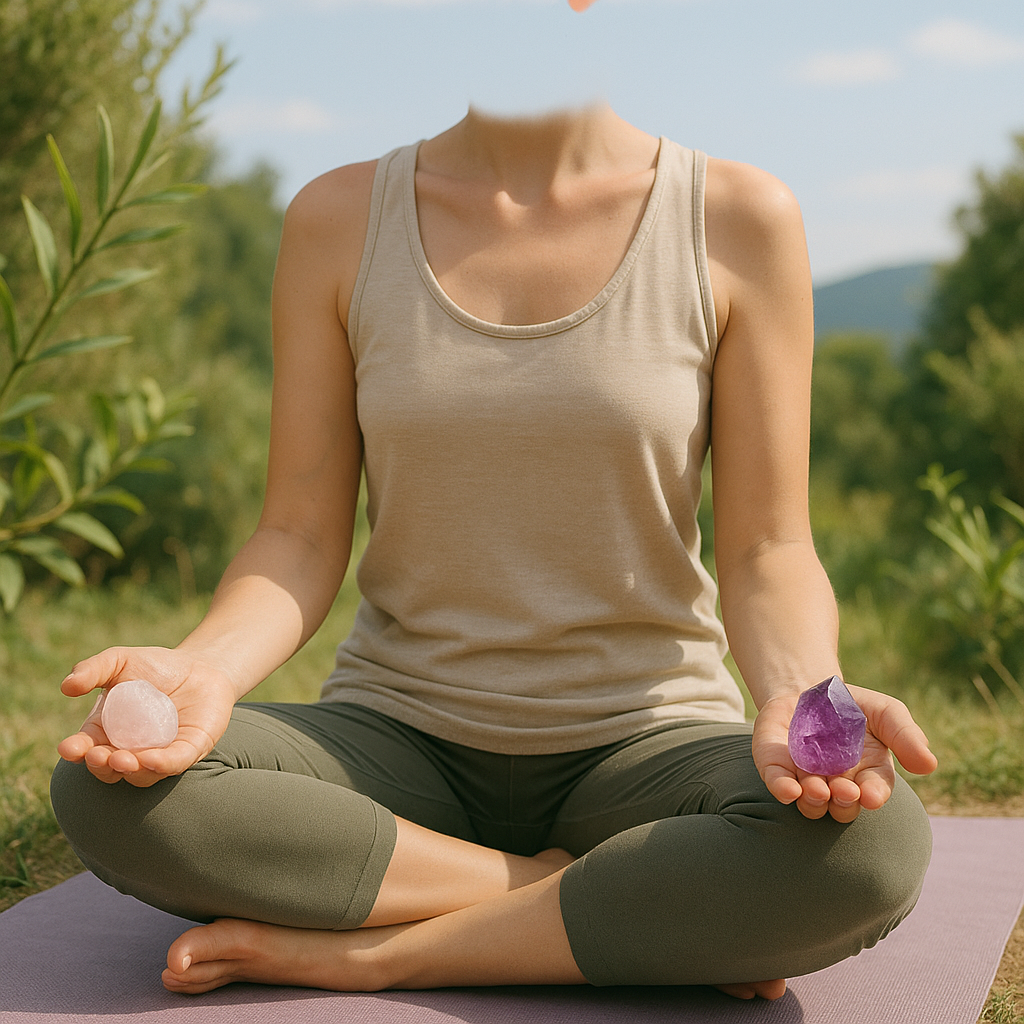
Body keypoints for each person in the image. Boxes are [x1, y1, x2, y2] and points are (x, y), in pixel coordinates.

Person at [50, 8, 937, 1000]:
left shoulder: (738, 218)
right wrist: (199, 671)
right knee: (114, 780)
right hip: (396, 738)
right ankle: (583, 904)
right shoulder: (337, 219)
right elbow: (296, 535)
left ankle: (384, 948)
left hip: (645, 746)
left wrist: (808, 698)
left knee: (866, 846)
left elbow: (770, 548)